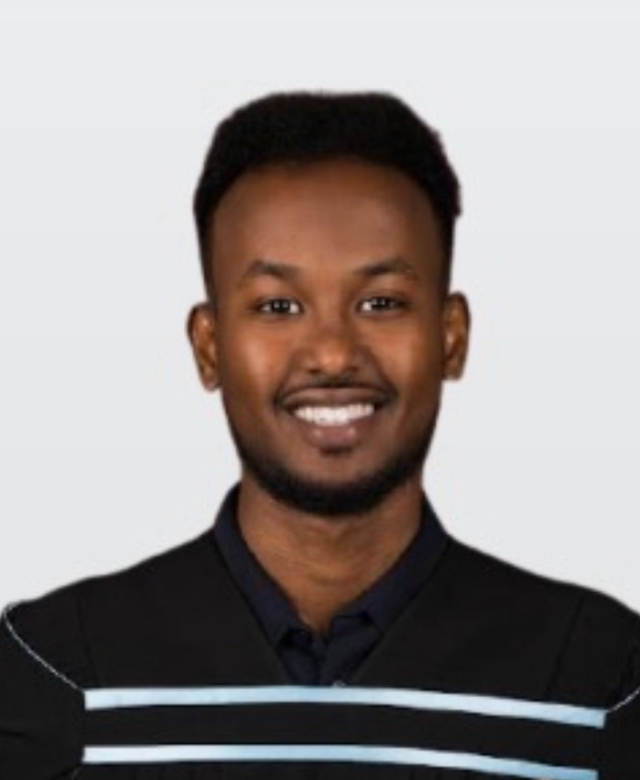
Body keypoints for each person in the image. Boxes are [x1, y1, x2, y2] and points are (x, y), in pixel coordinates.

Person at [1, 91, 638, 780]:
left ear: (451, 337)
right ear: (209, 347)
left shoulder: (599, 676)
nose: (332, 354)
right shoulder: (56, 665)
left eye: (381, 303)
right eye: (278, 306)